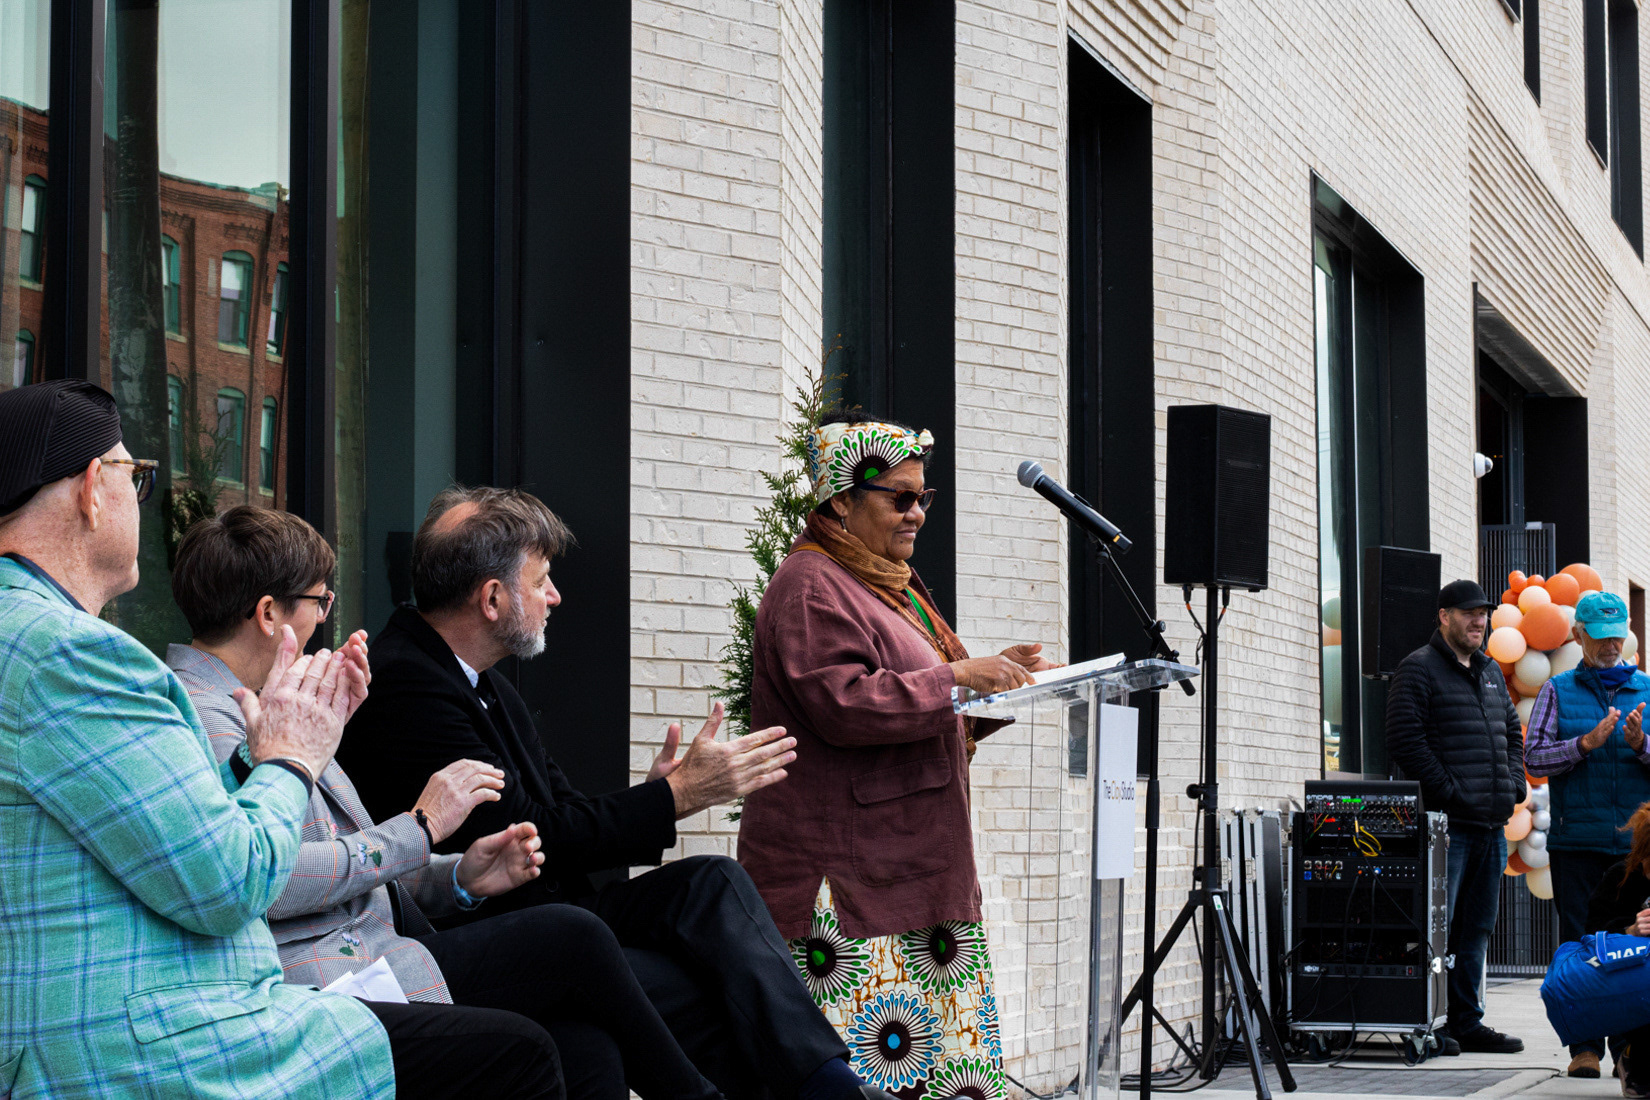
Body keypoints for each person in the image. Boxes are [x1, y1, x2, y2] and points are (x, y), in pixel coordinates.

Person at [0, 380, 556, 1099]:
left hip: (122, 1031)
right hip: (154, 1048)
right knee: (523, 1048)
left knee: (556, 1024)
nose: (328, 619)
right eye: (134, 477)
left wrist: (443, 867)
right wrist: (293, 756)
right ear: (89, 489)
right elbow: (232, 881)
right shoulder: (74, 655)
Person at [338, 485, 895, 1100]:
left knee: (711, 882)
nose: (555, 596)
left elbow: (562, 809)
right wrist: (676, 797)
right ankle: (827, 1091)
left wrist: (656, 795)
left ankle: (830, 1083)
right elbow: (530, 839)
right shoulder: (408, 683)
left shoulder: (480, 680)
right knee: (688, 983)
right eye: (541, 580)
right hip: (503, 937)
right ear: (492, 599)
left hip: (561, 914)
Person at [166, 505, 724, 1100]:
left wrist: (458, 877)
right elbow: (267, 878)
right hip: (327, 986)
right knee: (573, 941)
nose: (326, 620)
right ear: (268, 614)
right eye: (320, 602)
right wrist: (422, 824)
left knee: (585, 1040)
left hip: (376, 955)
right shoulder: (206, 718)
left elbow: (342, 862)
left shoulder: (267, 703)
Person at [734, 411, 1050, 1096]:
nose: (917, 514)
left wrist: (998, 684)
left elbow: (921, 707)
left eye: (922, 496)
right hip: (851, 895)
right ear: (841, 502)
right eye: (900, 497)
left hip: (909, 876)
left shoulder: (883, 583)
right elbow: (845, 704)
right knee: (865, 1079)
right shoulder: (812, 584)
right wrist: (960, 676)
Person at [1386, 578, 1525, 1055]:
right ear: (1444, 616)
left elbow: (1512, 732)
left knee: (1476, 929)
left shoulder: (1490, 671)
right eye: (1469, 613)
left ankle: (1468, 1021)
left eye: (1483, 613)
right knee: (1436, 930)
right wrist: (1450, 793)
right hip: (1447, 830)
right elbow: (1405, 741)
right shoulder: (1418, 668)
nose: (1479, 621)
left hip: (1491, 826)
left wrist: (1514, 784)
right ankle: (1432, 1020)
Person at [1526, 590, 1650, 1078]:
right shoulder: (1556, 690)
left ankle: (1628, 1051)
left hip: (1636, 850)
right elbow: (1534, 757)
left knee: (1633, 948)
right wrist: (1583, 743)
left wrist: (1642, 745)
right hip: (1576, 843)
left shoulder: (1647, 688)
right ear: (1578, 635)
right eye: (1600, 637)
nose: (1610, 646)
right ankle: (1584, 1049)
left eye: (1617, 636)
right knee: (1582, 946)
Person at [1576, 801, 1650, 1098]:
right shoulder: (1620, 877)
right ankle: (1630, 1057)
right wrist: (1629, 930)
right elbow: (1591, 936)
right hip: (1630, 983)